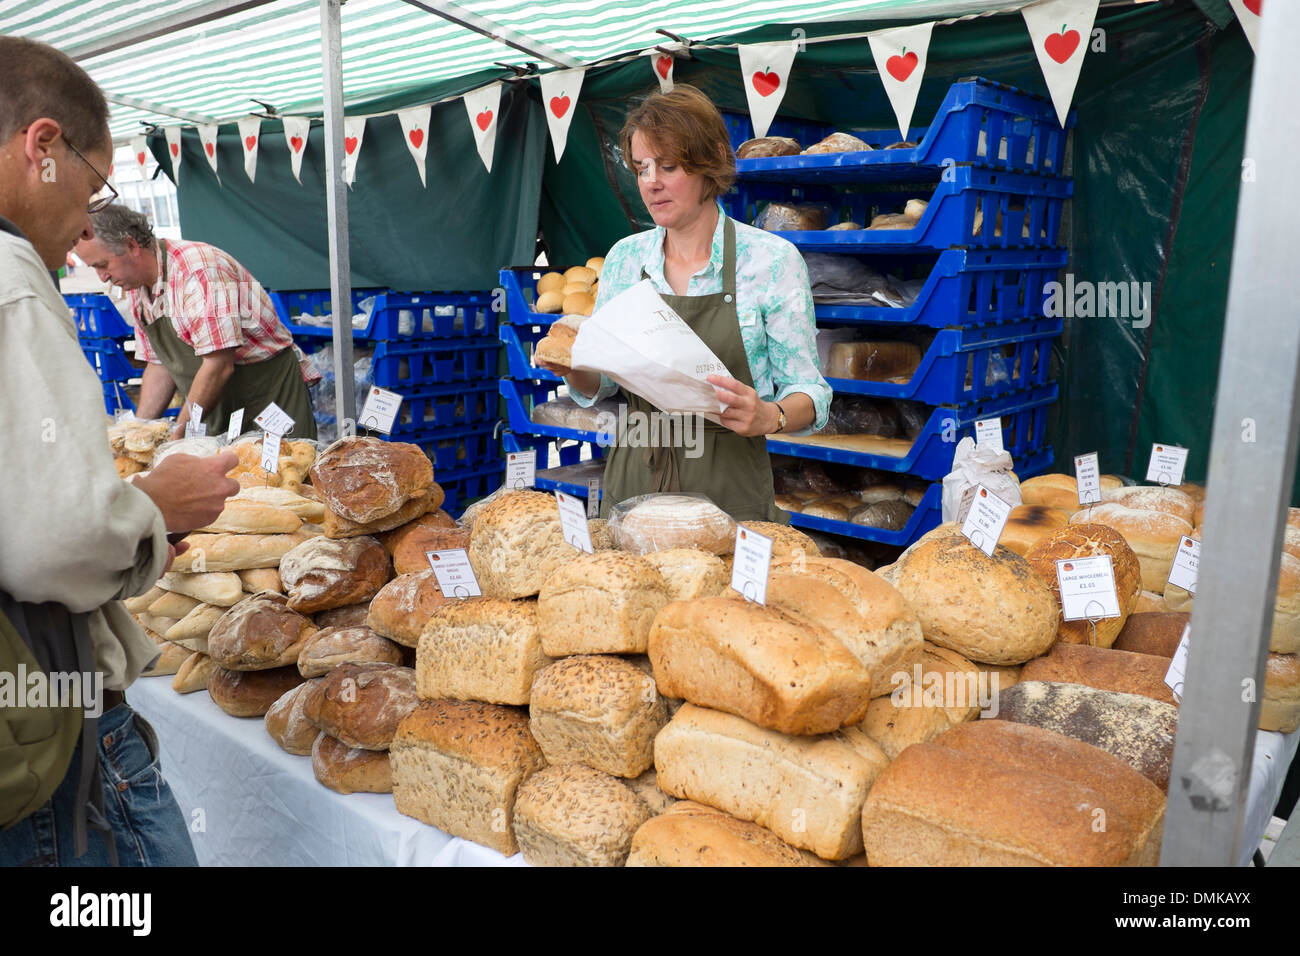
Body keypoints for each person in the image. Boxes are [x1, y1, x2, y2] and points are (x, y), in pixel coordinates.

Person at [0, 35, 238, 865]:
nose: (82, 229)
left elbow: (211, 359)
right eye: (93, 187)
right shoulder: (12, 279)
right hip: (45, 700)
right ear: (43, 147)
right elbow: (58, 542)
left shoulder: (195, 270)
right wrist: (155, 507)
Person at [536, 85, 830, 522]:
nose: (651, 182)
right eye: (641, 168)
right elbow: (604, 384)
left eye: (668, 166)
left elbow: (811, 391)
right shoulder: (625, 259)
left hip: (728, 489)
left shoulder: (770, 261)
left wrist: (772, 415)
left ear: (709, 163)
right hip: (634, 480)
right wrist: (573, 368)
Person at [76, 204, 319, 440]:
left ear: (131, 246)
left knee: (283, 475)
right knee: (226, 477)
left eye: (103, 265)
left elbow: (218, 365)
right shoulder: (137, 288)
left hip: (267, 396)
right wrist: (137, 433)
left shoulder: (198, 271)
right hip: (215, 402)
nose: (103, 277)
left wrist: (179, 433)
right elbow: (159, 366)